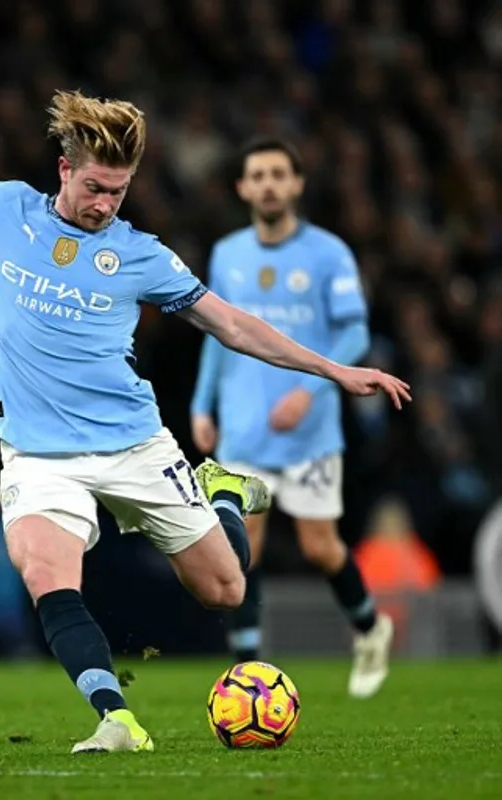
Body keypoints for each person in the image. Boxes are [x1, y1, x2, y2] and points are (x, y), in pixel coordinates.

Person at [0, 90, 411, 753]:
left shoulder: (141, 254)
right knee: (44, 574)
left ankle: (222, 493)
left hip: (135, 444)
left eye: (117, 191)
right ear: (64, 169)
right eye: (94, 187)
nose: (104, 204)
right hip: (38, 454)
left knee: (225, 590)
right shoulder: (3, 209)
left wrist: (335, 372)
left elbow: (231, 324)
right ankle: (116, 718)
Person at [190, 136, 394, 697]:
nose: (269, 184)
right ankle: (246, 672)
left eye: (279, 173)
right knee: (239, 548)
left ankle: (371, 629)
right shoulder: (228, 253)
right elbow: (216, 331)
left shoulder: (329, 253)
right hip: (243, 425)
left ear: (298, 183)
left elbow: (354, 331)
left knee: (319, 548)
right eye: (257, 175)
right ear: (242, 188)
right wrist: (201, 404)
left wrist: (308, 389)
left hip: (309, 431)